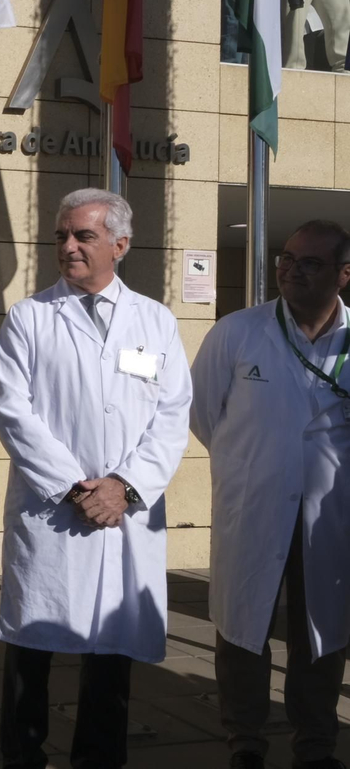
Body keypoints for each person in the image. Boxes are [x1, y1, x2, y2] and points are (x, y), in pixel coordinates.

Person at [0, 189, 192, 769]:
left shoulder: (155, 320)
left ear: (120, 245)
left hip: (123, 512)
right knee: (31, 652)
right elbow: (13, 411)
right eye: (62, 236)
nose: (69, 246)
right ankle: (22, 759)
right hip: (54, 509)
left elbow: (172, 414)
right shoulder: (30, 317)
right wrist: (77, 489)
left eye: (84, 235)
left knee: (110, 657)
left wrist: (123, 487)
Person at [193, 220, 350, 769]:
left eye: (310, 263)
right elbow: (202, 414)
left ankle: (315, 746)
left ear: (343, 274)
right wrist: (257, 465)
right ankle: (245, 741)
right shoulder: (238, 332)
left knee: (322, 633)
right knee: (243, 627)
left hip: (330, 516)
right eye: (286, 258)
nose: (291, 270)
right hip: (254, 505)